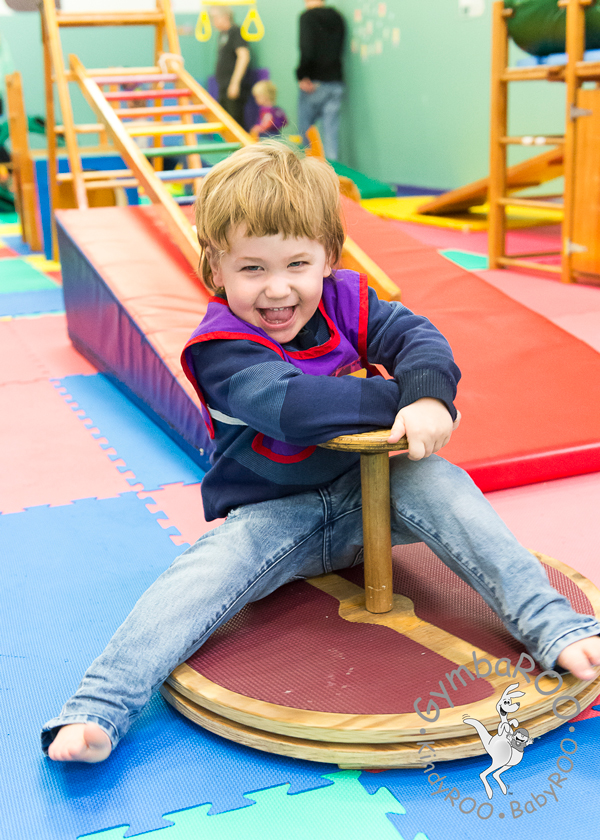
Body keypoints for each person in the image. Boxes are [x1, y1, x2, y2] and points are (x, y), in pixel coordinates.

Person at [42, 141, 600, 763]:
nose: (277, 290)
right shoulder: (220, 347)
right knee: (197, 578)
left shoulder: (349, 300)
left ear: (327, 259)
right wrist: (402, 399)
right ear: (215, 270)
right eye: (252, 269)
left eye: (297, 265)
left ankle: (553, 624)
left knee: (442, 482)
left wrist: (431, 398)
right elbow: (294, 409)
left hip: (370, 495)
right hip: (275, 518)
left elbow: (420, 338)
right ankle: (100, 707)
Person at [296, 0, 345, 160]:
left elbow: (307, 48)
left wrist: (302, 75)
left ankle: (305, 171)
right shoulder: (337, 17)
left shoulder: (307, 17)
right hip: (336, 82)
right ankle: (333, 173)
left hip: (314, 83)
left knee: (305, 129)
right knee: (330, 133)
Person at [210, 5, 252, 129]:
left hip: (233, 85)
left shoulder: (235, 31)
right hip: (223, 85)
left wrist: (235, 83)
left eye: (215, 17)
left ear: (226, 16)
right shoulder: (222, 35)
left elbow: (244, 56)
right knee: (227, 123)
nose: (213, 21)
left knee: (236, 124)